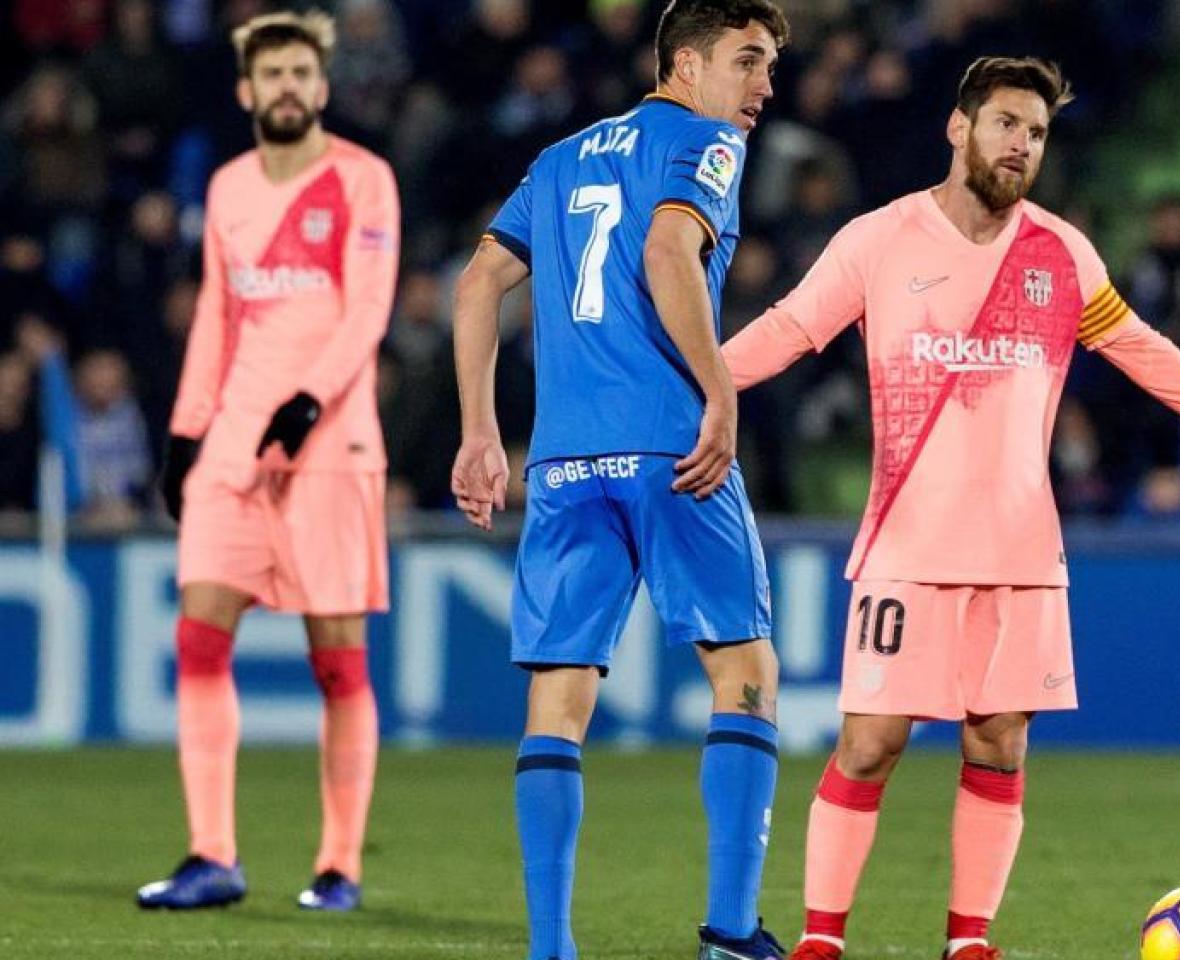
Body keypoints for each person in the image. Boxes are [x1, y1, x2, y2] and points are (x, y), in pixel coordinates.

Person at [720, 57, 1180, 960]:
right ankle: (822, 939)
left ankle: (969, 943)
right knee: (871, 742)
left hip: (1021, 552)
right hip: (907, 546)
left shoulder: (1060, 252)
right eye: (1005, 124)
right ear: (958, 128)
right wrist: (696, 391)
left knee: (998, 747)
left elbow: (1141, 349)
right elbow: (791, 328)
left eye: (1035, 133)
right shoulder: (879, 239)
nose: (1021, 145)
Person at [447, 3, 790, 959]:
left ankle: (551, 949)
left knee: (556, 703)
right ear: (686, 62)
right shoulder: (709, 142)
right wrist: (718, 392)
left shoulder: (558, 161)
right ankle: (729, 930)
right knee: (746, 672)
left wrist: (483, 432)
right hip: (671, 449)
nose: (763, 85)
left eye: (770, 66)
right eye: (747, 61)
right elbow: (667, 250)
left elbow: (476, 285)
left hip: (562, 460)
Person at [137, 11, 400, 913]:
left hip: (328, 449)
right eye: (272, 75)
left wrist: (304, 408)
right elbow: (218, 316)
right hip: (233, 447)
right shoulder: (229, 187)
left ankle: (338, 866)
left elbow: (367, 313)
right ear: (248, 91)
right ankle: (213, 855)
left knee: (337, 663)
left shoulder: (364, 181)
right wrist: (185, 433)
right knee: (198, 639)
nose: (288, 87)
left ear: (321, 87)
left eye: (301, 73)